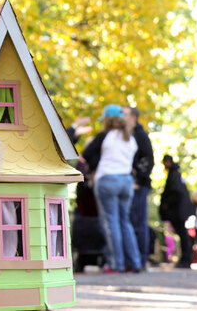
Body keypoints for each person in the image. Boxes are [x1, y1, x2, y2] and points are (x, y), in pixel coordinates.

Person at [81, 104, 142, 274]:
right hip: (126, 182)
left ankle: (117, 264)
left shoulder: (104, 136)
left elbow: (85, 156)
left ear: (107, 120)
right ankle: (135, 262)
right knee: (125, 222)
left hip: (107, 180)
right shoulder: (131, 138)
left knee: (111, 223)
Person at [124, 106, 154, 266]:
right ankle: (133, 259)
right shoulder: (127, 135)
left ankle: (141, 259)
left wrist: (138, 181)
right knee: (131, 222)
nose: (122, 117)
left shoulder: (140, 135)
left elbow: (149, 159)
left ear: (133, 118)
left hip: (139, 186)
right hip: (129, 184)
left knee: (139, 222)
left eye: (125, 115)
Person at [159, 154, 196, 269]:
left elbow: (176, 192)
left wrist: (167, 203)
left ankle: (186, 258)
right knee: (182, 234)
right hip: (179, 210)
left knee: (183, 234)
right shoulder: (175, 174)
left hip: (178, 211)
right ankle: (185, 258)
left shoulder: (174, 175)